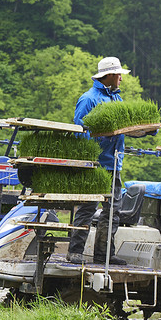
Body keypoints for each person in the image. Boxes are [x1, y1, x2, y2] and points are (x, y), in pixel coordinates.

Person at [66, 57, 130, 265]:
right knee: (88, 208)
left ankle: (104, 254)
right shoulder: (88, 99)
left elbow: (124, 127)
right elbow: (80, 131)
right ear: (108, 76)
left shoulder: (117, 99)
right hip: (94, 165)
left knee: (113, 211)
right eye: (118, 74)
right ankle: (75, 251)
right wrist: (104, 138)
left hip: (114, 165)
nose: (121, 78)